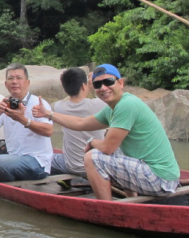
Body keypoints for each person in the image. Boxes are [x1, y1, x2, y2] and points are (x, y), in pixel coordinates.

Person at [33, 64, 179, 201]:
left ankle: (107, 209)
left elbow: (108, 147)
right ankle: (130, 201)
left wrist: (92, 142)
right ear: (92, 87)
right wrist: (48, 114)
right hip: (160, 177)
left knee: (92, 157)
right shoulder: (112, 109)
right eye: (97, 84)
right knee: (118, 153)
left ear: (120, 83)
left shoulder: (126, 105)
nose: (103, 88)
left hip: (159, 180)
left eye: (108, 82)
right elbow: (81, 123)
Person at [0, 63, 53, 182]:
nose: (14, 82)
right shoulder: (6, 103)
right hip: (13, 159)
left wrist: (23, 120)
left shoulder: (38, 103)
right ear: (5, 84)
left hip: (36, 161)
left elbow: (48, 131)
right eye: (10, 78)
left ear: (27, 82)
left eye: (19, 78)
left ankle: (9, 187)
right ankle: (4, 186)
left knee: (2, 163)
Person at [50, 68, 107, 179]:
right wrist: (91, 86)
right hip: (97, 167)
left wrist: (84, 87)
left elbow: (70, 99)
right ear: (84, 86)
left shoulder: (59, 107)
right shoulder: (100, 105)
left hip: (72, 167)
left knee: (47, 158)